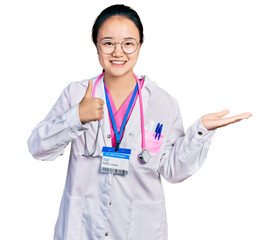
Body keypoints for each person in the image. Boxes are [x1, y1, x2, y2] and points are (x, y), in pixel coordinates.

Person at [27, 4, 252, 240]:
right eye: (108, 43)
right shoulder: (76, 94)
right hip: (82, 228)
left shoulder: (163, 103)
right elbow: (38, 148)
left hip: (139, 229)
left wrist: (201, 132)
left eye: (128, 43)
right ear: (96, 46)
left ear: (140, 46)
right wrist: (76, 117)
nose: (118, 52)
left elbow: (173, 170)